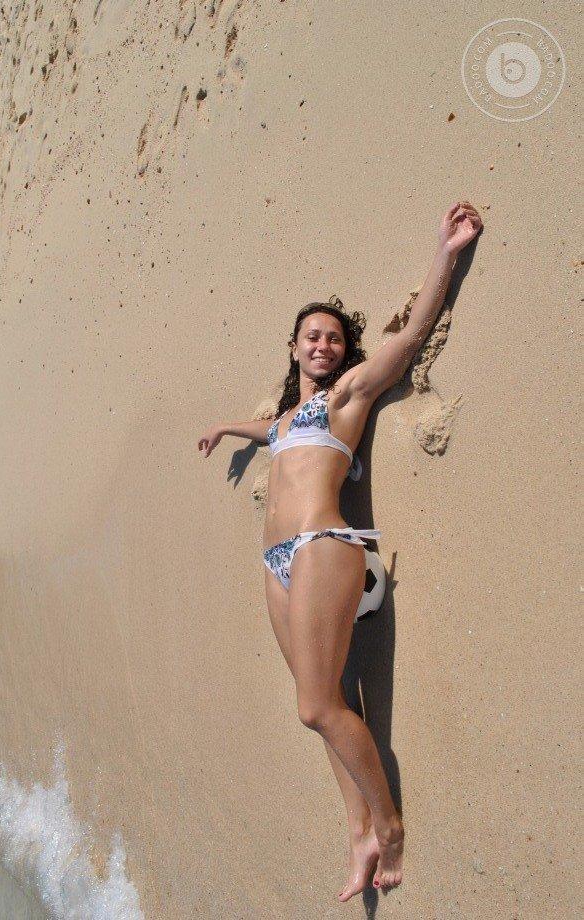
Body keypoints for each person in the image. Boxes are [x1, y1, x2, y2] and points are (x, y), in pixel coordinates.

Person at [198, 201, 483, 899]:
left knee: (314, 707)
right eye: (312, 337)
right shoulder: (286, 420)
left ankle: (389, 825)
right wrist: (225, 429)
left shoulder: (346, 397)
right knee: (322, 703)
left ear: (341, 351)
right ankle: (357, 833)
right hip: (277, 565)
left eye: (333, 337)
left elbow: (410, 337)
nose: (323, 345)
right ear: (295, 348)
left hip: (325, 546)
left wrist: (445, 253)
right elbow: (267, 433)